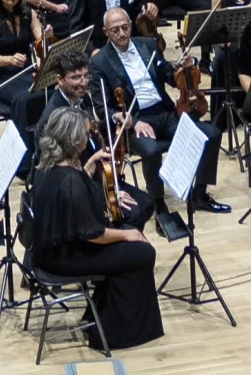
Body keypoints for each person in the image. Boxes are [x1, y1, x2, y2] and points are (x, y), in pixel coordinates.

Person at [24, 107, 163, 351]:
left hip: (52, 248)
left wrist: (89, 166)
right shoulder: (69, 182)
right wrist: (128, 234)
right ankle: (117, 332)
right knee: (143, 252)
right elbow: (95, 234)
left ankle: (100, 313)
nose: (88, 139)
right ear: (74, 139)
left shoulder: (49, 165)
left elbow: (74, 195)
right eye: (85, 136)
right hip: (64, 258)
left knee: (130, 236)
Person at [90, 5, 227, 232]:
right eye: (115, 30)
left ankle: (200, 194)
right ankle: (159, 206)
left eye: (125, 27)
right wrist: (130, 119)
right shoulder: (100, 62)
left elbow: (167, 76)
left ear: (131, 25)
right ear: (106, 32)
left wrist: (180, 69)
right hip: (136, 121)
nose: (122, 34)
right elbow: (101, 108)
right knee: (152, 151)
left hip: (165, 112)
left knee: (211, 134)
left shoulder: (148, 45)